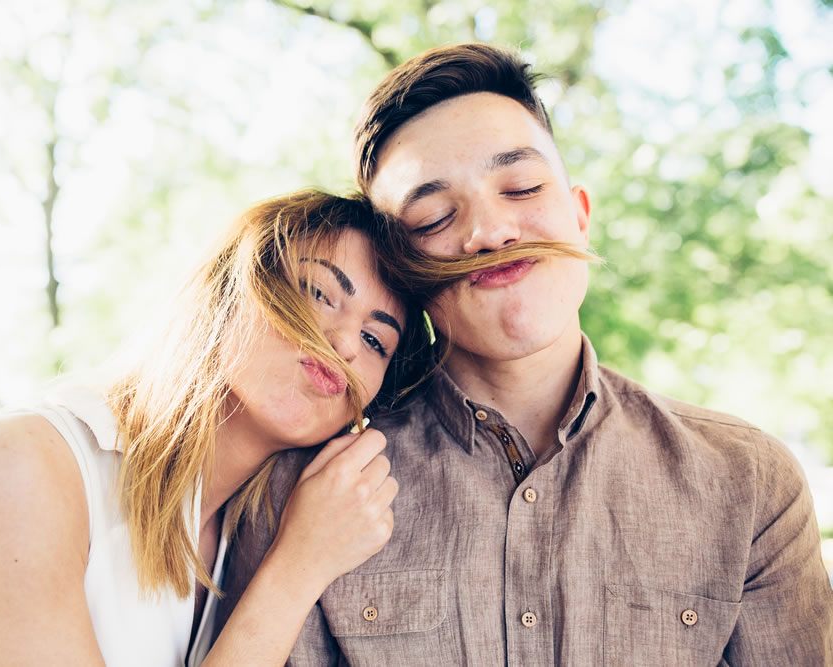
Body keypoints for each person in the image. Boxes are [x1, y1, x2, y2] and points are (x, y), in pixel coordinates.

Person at [219, 44, 833, 664]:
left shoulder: (748, 482)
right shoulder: (302, 490)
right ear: (403, 271)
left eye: (521, 186)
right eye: (433, 217)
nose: (490, 232)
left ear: (580, 215)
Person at [0, 190, 437, 666]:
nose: (342, 343)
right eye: (318, 293)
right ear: (230, 290)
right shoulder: (22, 463)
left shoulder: (239, 536)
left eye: (375, 340)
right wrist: (299, 568)